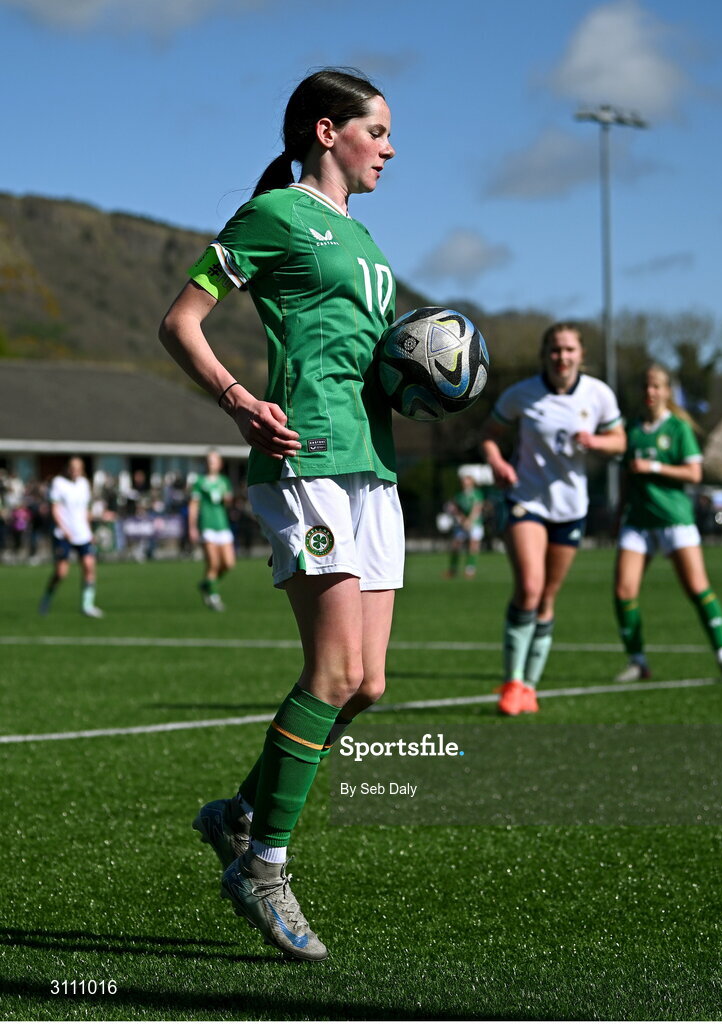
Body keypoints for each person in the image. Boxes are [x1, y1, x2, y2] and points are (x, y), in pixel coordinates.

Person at [158, 68, 400, 962]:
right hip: (308, 460)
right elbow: (181, 322)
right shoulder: (275, 215)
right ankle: (262, 866)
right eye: (378, 131)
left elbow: (367, 357)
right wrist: (236, 399)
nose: (390, 148)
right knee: (331, 670)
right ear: (327, 131)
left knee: (366, 686)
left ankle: (241, 812)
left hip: (371, 464)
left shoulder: (365, 237)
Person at [481, 322, 625, 716]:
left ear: (581, 354)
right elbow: (490, 433)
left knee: (546, 598)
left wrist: (597, 442)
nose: (562, 357)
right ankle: (511, 683)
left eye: (569, 350)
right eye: (555, 350)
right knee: (529, 586)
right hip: (526, 501)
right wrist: (496, 461)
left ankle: (530, 687)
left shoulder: (599, 395)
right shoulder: (522, 394)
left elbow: (620, 442)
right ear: (545, 355)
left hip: (571, 509)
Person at [613, 364, 722, 682]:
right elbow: (628, 477)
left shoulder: (677, 429)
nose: (650, 392)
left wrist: (654, 466)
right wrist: (621, 509)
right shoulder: (630, 428)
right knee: (623, 591)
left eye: (656, 386)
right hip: (638, 523)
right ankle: (638, 660)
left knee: (698, 589)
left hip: (675, 521)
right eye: (646, 386)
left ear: (667, 392)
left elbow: (694, 474)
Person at [38, 456, 104, 618]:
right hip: (64, 534)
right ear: (67, 468)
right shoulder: (59, 483)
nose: (75, 471)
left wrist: (90, 531)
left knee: (89, 566)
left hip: (82, 534)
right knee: (61, 573)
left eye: (78, 468)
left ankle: (87, 605)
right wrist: (64, 529)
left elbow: (84, 511)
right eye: (72, 468)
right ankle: (47, 597)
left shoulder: (84, 484)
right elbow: (54, 509)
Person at [188, 450, 235, 611]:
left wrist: (227, 499)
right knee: (213, 563)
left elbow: (228, 502)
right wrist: (192, 527)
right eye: (209, 460)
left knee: (228, 563)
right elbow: (193, 506)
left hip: (222, 525)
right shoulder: (199, 482)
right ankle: (213, 598)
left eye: (214, 460)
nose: (211, 463)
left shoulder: (224, 481)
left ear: (220, 463)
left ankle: (206, 584)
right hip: (207, 526)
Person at [445, 473, 485, 578]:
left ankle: (470, 570)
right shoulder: (459, 495)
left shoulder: (477, 493)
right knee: (456, 545)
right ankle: (453, 569)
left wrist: (470, 521)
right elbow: (456, 509)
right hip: (462, 523)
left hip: (475, 523)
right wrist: (463, 520)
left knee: (473, 545)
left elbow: (477, 508)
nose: (464, 483)